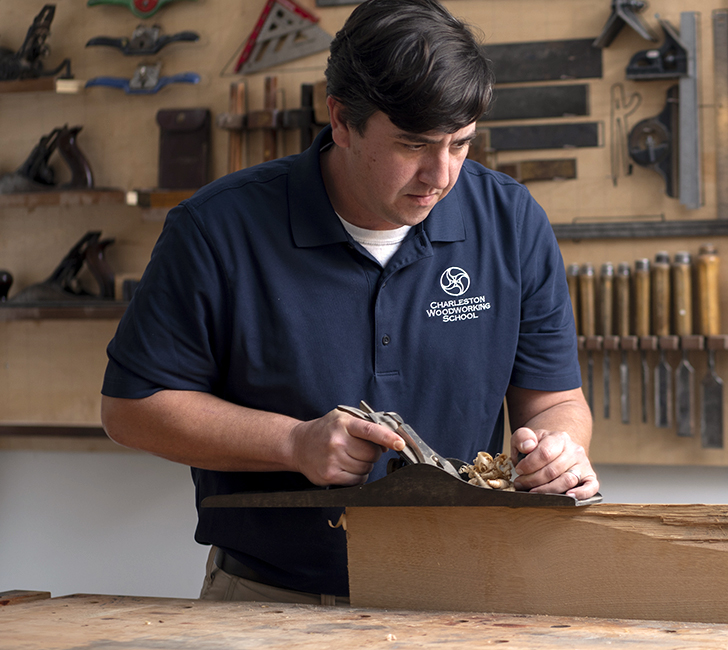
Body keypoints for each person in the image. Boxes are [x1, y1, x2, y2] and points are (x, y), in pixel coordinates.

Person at [100, 0, 597, 605]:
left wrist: (558, 452)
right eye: (413, 144)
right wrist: (293, 442)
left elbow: (555, 401)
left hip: (466, 590)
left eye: (460, 144)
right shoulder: (216, 230)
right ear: (341, 119)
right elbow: (131, 408)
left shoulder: (511, 222)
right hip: (270, 598)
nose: (440, 175)